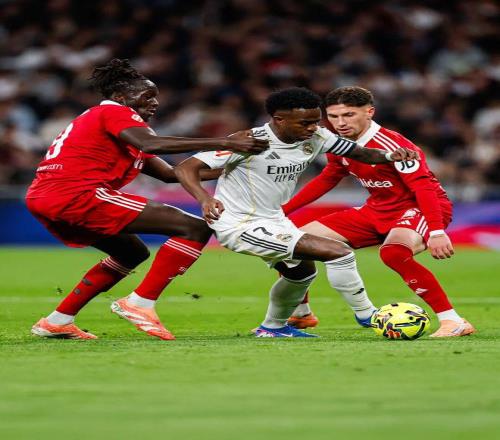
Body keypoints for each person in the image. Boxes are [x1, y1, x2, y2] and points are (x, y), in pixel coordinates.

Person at [26, 58, 269, 341]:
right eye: (147, 96)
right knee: (195, 227)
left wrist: (236, 168)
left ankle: (57, 321)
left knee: (131, 253)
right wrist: (225, 142)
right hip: (76, 193)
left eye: (156, 97)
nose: (154, 103)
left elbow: (170, 174)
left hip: (47, 196)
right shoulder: (115, 113)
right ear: (120, 97)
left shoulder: (118, 129)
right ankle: (140, 303)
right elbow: (152, 144)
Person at [175, 87, 418, 337]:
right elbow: (185, 168)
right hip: (239, 224)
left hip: (275, 220)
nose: (313, 128)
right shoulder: (250, 141)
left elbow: (361, 153)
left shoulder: (318, 136)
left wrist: (390, 155)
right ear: (279, 119)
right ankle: (368, 315)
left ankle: (272, 328)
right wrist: (205, 198)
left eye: (316, 121)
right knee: (339, 253)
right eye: (305, 123)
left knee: (301, 274)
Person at [283, 86, 475, 337]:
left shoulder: (394, 145)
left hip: (419, 207)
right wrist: (283, 210)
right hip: (377, 208)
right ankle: (301, 313)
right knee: (294, 242)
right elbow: (329, 177)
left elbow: (423, 188)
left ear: (369, 112)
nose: (340, 123)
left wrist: (437, 231)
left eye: (348, 115)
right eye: (333, 116)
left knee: (394, 253)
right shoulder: (339, 144)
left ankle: (453, 321)